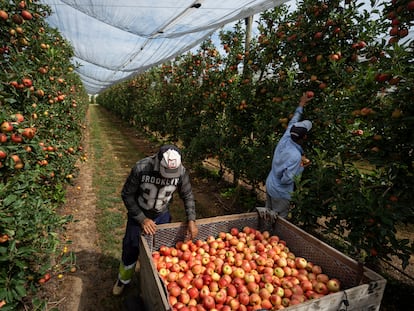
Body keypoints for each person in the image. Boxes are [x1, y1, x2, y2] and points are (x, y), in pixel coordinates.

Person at [113, 144, 198, 295]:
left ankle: (156, 284)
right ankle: (123, 280)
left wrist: (191, 219)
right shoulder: (141, 168)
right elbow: (127, 194)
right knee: (131, 248)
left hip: (161, 215)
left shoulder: (181, 172)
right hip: (139, 213)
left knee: (159, 251)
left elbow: (187, 195)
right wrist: (142, 219)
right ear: (157, 161)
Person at [265, 93, 313, 218]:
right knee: (278, 222)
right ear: (305, 137)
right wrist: (302, 167)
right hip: (280, 193)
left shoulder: (286, 137)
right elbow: (286, 179)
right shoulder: (295, 156)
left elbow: (294, 120)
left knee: (266, 217)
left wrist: (301, 104)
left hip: (270, 184)